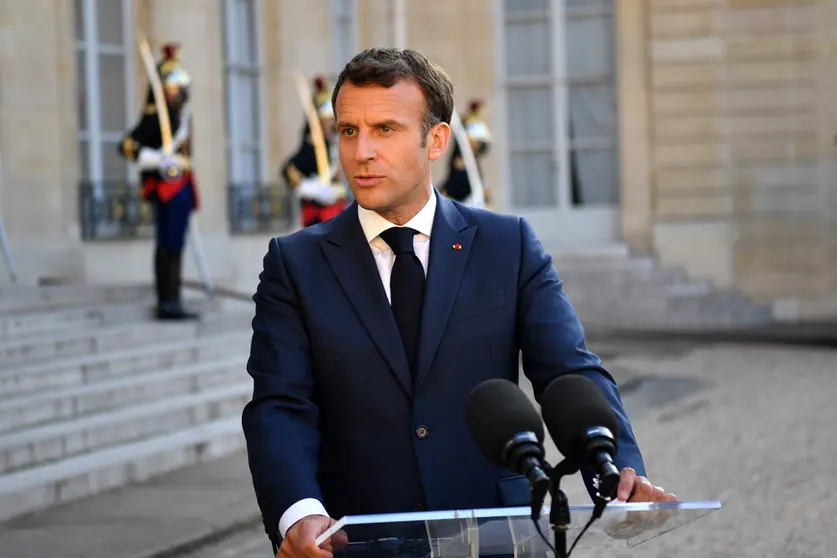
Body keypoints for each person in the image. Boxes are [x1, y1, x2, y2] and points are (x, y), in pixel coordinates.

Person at [243, 47, 675, 557]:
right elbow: (281, 407)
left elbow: (569, 373)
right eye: (348, 130)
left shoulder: (507, 245)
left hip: (497, 539)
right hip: (354, 542)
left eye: (385, 129)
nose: (361, 152)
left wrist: (619, 470)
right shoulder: (295, 263)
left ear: (437, 140)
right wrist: (299, 511)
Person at [118, 43, 199, 320]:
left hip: (181, 187)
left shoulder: (184, 119)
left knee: (177, 245)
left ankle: (175, 297)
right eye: (175, 88)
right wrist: (156, 159)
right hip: (164, 189)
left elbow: (187, 155)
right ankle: (166, 300)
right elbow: (127, 146)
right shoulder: (153, 119)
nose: (180, 93)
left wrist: (178, 162)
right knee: (166, 244)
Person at [280, 76, 348, 228]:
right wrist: (311, 188)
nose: (332, 123)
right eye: (328, 119)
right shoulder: (312, 147)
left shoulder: (336, 143)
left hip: (338, 212)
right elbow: (288, 170)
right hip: (318, 217)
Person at [439, 99, 493, 205]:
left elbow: (484, 145)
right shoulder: (466, 122)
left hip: (470, 166)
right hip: (462, 165)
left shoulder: (474, 122)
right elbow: (461, 143)